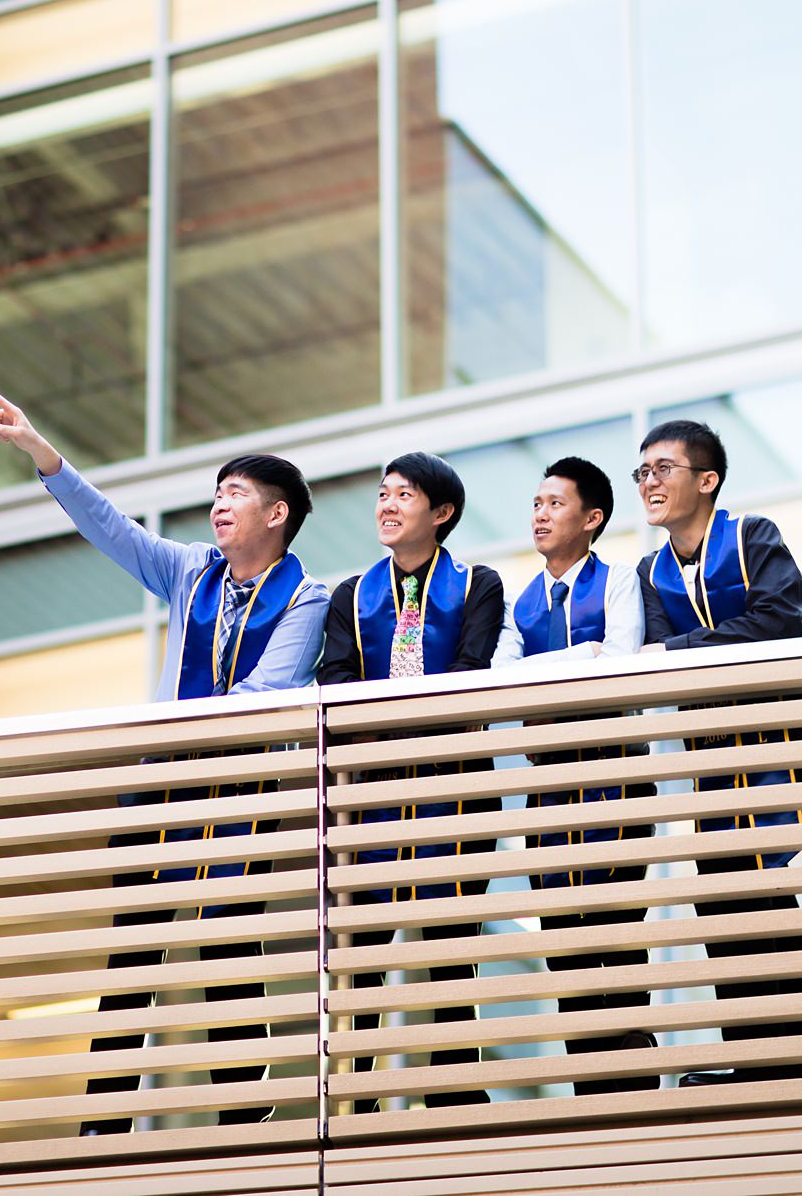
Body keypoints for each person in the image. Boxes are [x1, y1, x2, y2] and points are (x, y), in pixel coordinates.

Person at [0, 385, 329, 1133]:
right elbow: (112, 529)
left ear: (277, 514)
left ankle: (243, 1107)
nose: (217, 506)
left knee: (224, 940)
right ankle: (105, 1118)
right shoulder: (189, 571)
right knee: (134, 944)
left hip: (238, 791)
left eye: (235, 493)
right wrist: (44, 453)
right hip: (164, 787)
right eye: (216, 494)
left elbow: (267, 690)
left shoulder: (309, 597)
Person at [633, 419, 802, 1086]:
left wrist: (682, 648)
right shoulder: (651, 569)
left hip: (769, 745)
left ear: (707, 478)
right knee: (720, 898)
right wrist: (695, 649)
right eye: (642, 473)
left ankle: (798, 1063)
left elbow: (778, 618)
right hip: (711, 758)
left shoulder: (752, 537)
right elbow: (669, 666)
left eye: (663, 468)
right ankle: (774, 1058)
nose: (650, 483)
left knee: (759, 885)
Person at [319, 451, 504, 1110]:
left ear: (441, 512)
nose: (387, 504)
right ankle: (358, 1090)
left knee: (449, 936)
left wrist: (387, 721)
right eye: (382, 493)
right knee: (364, 940)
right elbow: (335, 683)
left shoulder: (478, 583)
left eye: (404, 494)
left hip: (454, 788)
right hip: (371, 795)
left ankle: (455, 1081)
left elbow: (469, 671)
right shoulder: (350, 593)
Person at [490, 457, 656, 1093]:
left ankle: (633, 1077)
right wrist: (578, 657)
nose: (540, 514)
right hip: (549, 788)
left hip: (615, 777)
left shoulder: (619, 582)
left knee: (615, 927)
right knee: (563, 933)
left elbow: (617, 663)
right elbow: (504, 681)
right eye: (536, 503)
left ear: (592, 519)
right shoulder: (520, 599)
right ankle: (592, 1082)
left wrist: (559, 667)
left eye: (555, 504)